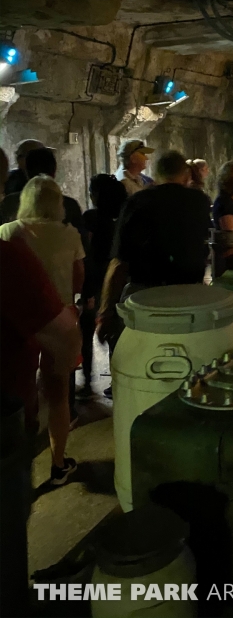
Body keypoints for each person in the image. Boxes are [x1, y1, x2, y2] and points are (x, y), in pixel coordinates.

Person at [0, 174, 84, 485]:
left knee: (19, 393)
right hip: (57, 319)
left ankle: (20, 461)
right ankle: (58, 463)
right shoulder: (69, 233)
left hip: (17, 324)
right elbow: (78, 277)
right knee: (58, 394)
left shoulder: (9, 231)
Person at [97, 151, 212, 346]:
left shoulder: (137, 202)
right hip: (188, 297)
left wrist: (105, 313)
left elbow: (119, 262)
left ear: (156, 175)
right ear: (186, 175)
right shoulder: (199, 202)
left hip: (144, 298)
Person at [78, 175, 127, 400]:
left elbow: (86, 252)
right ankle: (118, 382)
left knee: (87, 331)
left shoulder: (91, 218)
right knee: (115, 332)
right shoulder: (124, 218)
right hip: (118, 280)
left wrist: (85, 289)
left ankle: (88, 382)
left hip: (96, 280)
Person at [0, 147, 84, 238]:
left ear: (26, 172)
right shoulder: (70, 206)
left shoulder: (9, 203)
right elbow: (83, 241)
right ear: (54, 172)